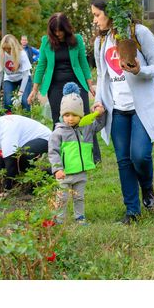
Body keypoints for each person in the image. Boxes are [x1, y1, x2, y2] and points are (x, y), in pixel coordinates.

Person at [90, 0, 154, 224]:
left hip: (141, 107)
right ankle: (132, 211)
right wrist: (99, 101)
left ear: (109, 13)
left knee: (140, 156)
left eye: (97, 15)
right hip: (117, 110)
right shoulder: (100, 42)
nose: (95, 20)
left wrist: (138, 71)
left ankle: (147, 186)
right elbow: (103, 75)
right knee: (123, 161)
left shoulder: (138, 33)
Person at [27, 13, 101, 163]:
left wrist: (90, 84)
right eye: (55, 31)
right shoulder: (46, 42)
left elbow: (83, 62)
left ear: (66, 29)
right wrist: (34, 89)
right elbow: (41, 65)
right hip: (55, 86)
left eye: (61, 30)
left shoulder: (77, 40)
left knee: (85, 118)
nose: (58, 34)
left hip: (77, 83)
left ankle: (94, 156)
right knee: (59, 120)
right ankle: (63, 157)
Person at [48, 82, 106, 225]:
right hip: (65, 173)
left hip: (81, 172)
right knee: (62, 197)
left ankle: (80, 217)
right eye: (66, 115)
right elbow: (53, 152)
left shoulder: (86, 128)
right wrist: (57, 169)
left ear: (81, 114)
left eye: (74, 115)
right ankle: (59, 219)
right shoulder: (59, 132)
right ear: (62, 115)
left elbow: (99, 125)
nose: (70, 118)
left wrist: (99, 115)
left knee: (79, 197)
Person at [0, 108, 52, 190]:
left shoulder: (6, 132)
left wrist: (7, 189)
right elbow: (2, 156)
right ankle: (26, 179)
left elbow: (10, 164)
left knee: (22, 157)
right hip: (26, 141)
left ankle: (45, 176)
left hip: (44, 138)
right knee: (18, 161)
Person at [0, 34, 32, 112]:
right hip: (9, 79)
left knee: (25, 101)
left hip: (23, 78)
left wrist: (20, 94)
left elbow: (25, 75)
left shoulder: (22, 54)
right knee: (8, 102)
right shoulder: (1, 54)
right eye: (5, 49)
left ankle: (27, 120)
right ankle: (9, 121)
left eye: (9, 49)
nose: (7, 51)